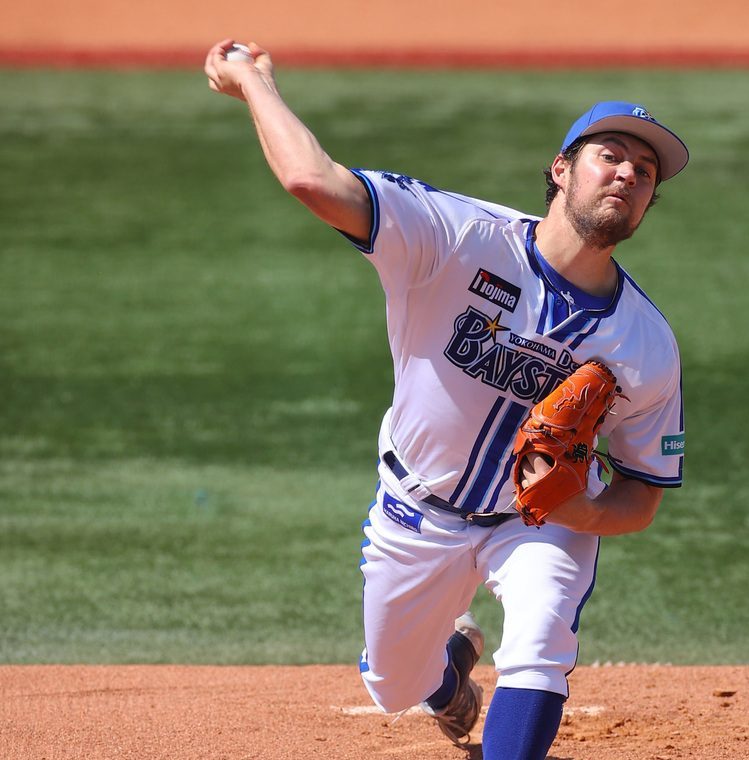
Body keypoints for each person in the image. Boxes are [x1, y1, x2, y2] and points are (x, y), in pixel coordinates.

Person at [204, 40, 688, 758]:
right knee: (394, 684)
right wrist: (253, 81)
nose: (628, 173)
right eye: (609, 154)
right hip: (416, 509)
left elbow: (642, 495)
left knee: (541, 638)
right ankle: (447, 678)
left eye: (645, 171)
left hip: (536, 527)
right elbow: (311, 179)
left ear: (649, 200)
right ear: (560, 170)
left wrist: (572, 508)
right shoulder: (457, 237)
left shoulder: (647, 344)